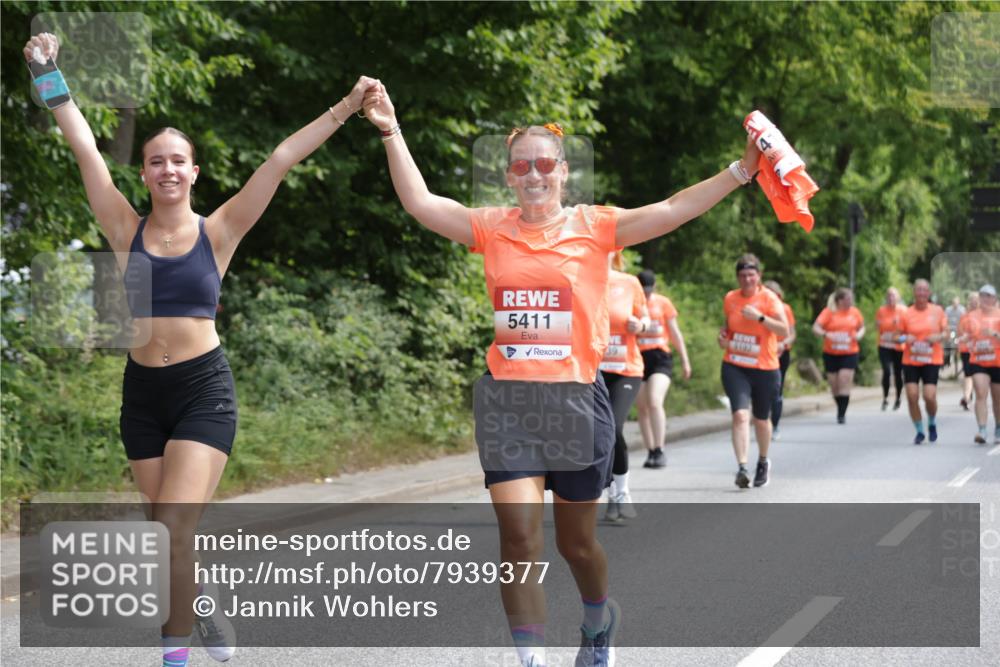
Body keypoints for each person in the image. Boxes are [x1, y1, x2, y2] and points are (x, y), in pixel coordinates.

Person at [361, 81, 761, 667]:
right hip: (509, 407)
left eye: (543, 163)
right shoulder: (491, 227)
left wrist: (740, 170)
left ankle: (599, 617)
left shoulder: (596, 226)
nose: (533, 174)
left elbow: (672, 209)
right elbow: (422, 203)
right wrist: (391, 130)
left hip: (577, 403)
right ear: (509, 176)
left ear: (563, 171)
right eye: (520, 165)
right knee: (518, 539)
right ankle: (531, 661)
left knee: (577, 545)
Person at [23, 32, 379, 667]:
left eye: (177, 160)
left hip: (201, 392)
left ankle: (174, 658)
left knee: (171, 531)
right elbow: (81, 143)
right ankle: (204, 600)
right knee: (167, 543)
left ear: (193, 172)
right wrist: (48, 71)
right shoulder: (122, 227)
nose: (167, 169)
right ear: (145, 173)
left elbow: (279, 158)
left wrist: (348, 107)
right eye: (156, 160)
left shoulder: (219, 231)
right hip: (142, 397)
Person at [718, 255, 789, 489]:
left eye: (751, 275)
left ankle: (762, 460)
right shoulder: (730, 298)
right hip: (735, 365)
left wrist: (760, 317)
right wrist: (723, 337)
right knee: (740, 415)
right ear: (738, 277)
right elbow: (728, 327)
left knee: (761, 419)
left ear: (758, 276)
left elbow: (784, 330)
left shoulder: (769, 299)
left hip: (765, 368)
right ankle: (742, 467)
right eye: (742, 275)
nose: (747, 279)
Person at [599, 252, 649, 521]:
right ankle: (609, 492)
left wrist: (640, 324)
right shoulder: (581, 282)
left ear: (613, 253)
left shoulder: (629, 282)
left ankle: (623, 492)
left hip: (625, 370)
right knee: (596, 433)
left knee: (614, 427)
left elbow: (646, 319)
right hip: (593, 371)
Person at [635, 269, 690, 468]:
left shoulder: (663, 303)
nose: (647, 294)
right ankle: (650, 451)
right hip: (638, 357)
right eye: (643, 290)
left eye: (649, 290)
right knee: (642, 406)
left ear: (655, 287)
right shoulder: (632, 303)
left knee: (654, 401)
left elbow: (675, 333)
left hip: (660, 357)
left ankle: (660, 449)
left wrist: (685, 360)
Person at [898, 279, 948, 444]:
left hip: (931, 359)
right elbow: (894, 336)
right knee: (912, 396)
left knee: (929, 396)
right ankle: (920, 430)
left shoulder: (937, 311)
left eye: (924, 290)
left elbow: (947, 333)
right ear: (914, 292)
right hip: (911, 360)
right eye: (918, 290)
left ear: (929, 293)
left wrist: (938, 336)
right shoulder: (906, 313)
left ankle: (932, 422)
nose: (921, 293)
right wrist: (906, 337)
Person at [813, 287, 865, 424]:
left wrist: (858, 335)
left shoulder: (855, 313)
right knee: (834, 385)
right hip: (831, 353)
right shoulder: (829, 312)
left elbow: (862, 327)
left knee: (844, 379)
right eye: (848, 298)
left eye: (851, 299)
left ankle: (841, 414)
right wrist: (825, 334)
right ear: (840, 300)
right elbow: (816, 328)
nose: (851, 301)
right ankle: (840, 405)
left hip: (849, 352)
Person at [965, 285, 1000, 445]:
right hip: (978, 360)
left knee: (997, 397)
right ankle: (982, 429)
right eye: (982, 296)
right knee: (980, 392)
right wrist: (965, 338)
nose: (985, 299)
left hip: (997, 361)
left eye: (989, 296)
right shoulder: (971, 316)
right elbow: (966, 334)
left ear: (994, 298)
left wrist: (995, 334)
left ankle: (998, 427)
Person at [764, 280, 795, 439]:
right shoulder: (759, 309)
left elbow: (791, 333)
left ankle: (775, 424)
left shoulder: (785, 309)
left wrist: (783, 343)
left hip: (781, 352)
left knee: (777, 389)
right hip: (763, 352)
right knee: (762, 390)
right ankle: (763, 422)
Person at [876, 287, 907, 412]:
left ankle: (898, 397)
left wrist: (900, 337)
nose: (891, 298)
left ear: (898, 298)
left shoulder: (903, 311)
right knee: (886, 371)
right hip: (884, 345)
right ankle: (885, 398)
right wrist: (886, 333)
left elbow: (908, 328)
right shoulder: (881, 310)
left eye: (893, 296)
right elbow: (878, 326)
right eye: (889, 296)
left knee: (898, 373)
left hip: (899, 347)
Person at [957, 291, 979, 410]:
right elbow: (960, 332)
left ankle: (968, 396)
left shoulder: (983, 316)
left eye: (976, 300)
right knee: (968, 373)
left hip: (980, 351)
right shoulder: (964, 316)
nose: (974, 302)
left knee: (976, 376)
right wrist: (964, 337)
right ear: (969, 302)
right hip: (966, 349)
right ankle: (967, 397)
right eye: (972, 300)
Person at [945, 295, 966, 375]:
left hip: (959, 330)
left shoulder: (962, 310)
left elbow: (964, 320)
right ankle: (947, 356)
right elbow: (945, 319)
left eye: (956, 303)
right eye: (954, 303)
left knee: (959, 343)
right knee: (948, 342)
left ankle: (957, 355)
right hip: (950, 329)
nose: (955, 305)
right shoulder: (948, 309)